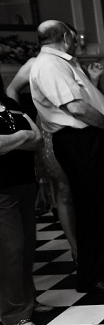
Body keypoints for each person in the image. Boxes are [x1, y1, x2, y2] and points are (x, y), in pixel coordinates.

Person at [29, 20, 104, 294]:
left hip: (90, 139)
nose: (76, 41)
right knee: (92, 207)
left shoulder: (62, 62)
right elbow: (77, 109)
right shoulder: (49, 65)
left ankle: (100, 266)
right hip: (81, 141)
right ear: (66, 36)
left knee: (102, 205)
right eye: (73, 36)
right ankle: (91, 275)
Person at [6, 57, 78, 260]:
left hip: (76, 131)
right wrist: (18, 120)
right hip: (50, 129)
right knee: (64, 190)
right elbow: (12, 90)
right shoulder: (34, 63)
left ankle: (91, 248)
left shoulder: (73, 63)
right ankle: (76, 249)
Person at [0, 87, 45, 325]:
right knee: (11, 250)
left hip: (25, 184)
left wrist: (14, 141)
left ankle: (28, 302)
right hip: (2, 189)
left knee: (26, 247)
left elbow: (38, 140)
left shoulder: (9, 103)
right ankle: (14, 315)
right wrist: (23, 135)